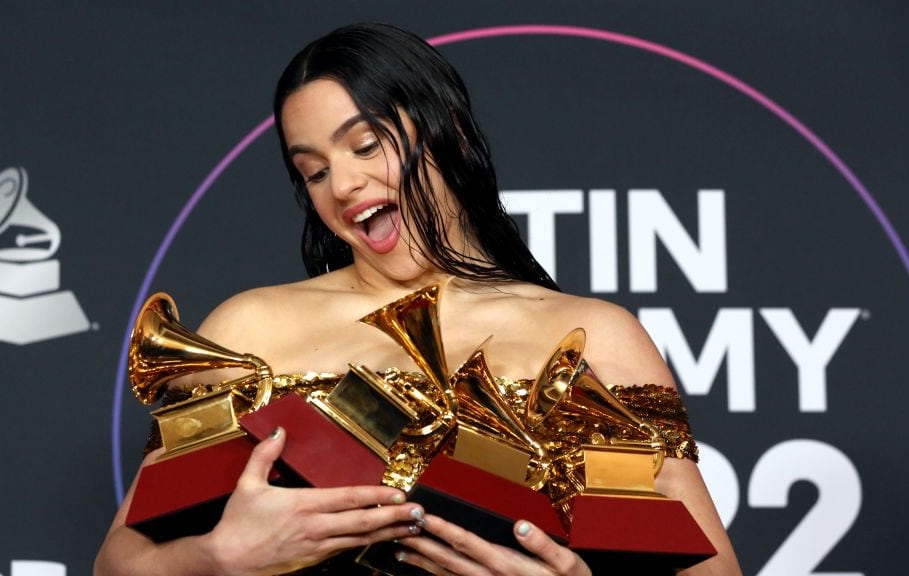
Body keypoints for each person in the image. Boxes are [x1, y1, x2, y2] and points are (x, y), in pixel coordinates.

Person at [95, 22, 742, 576]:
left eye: (366, 144)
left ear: (449, 132)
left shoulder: (598, 336)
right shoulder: (249, 328)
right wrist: (220, 558)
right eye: (313, 171)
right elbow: (118, 560)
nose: (343, 184)